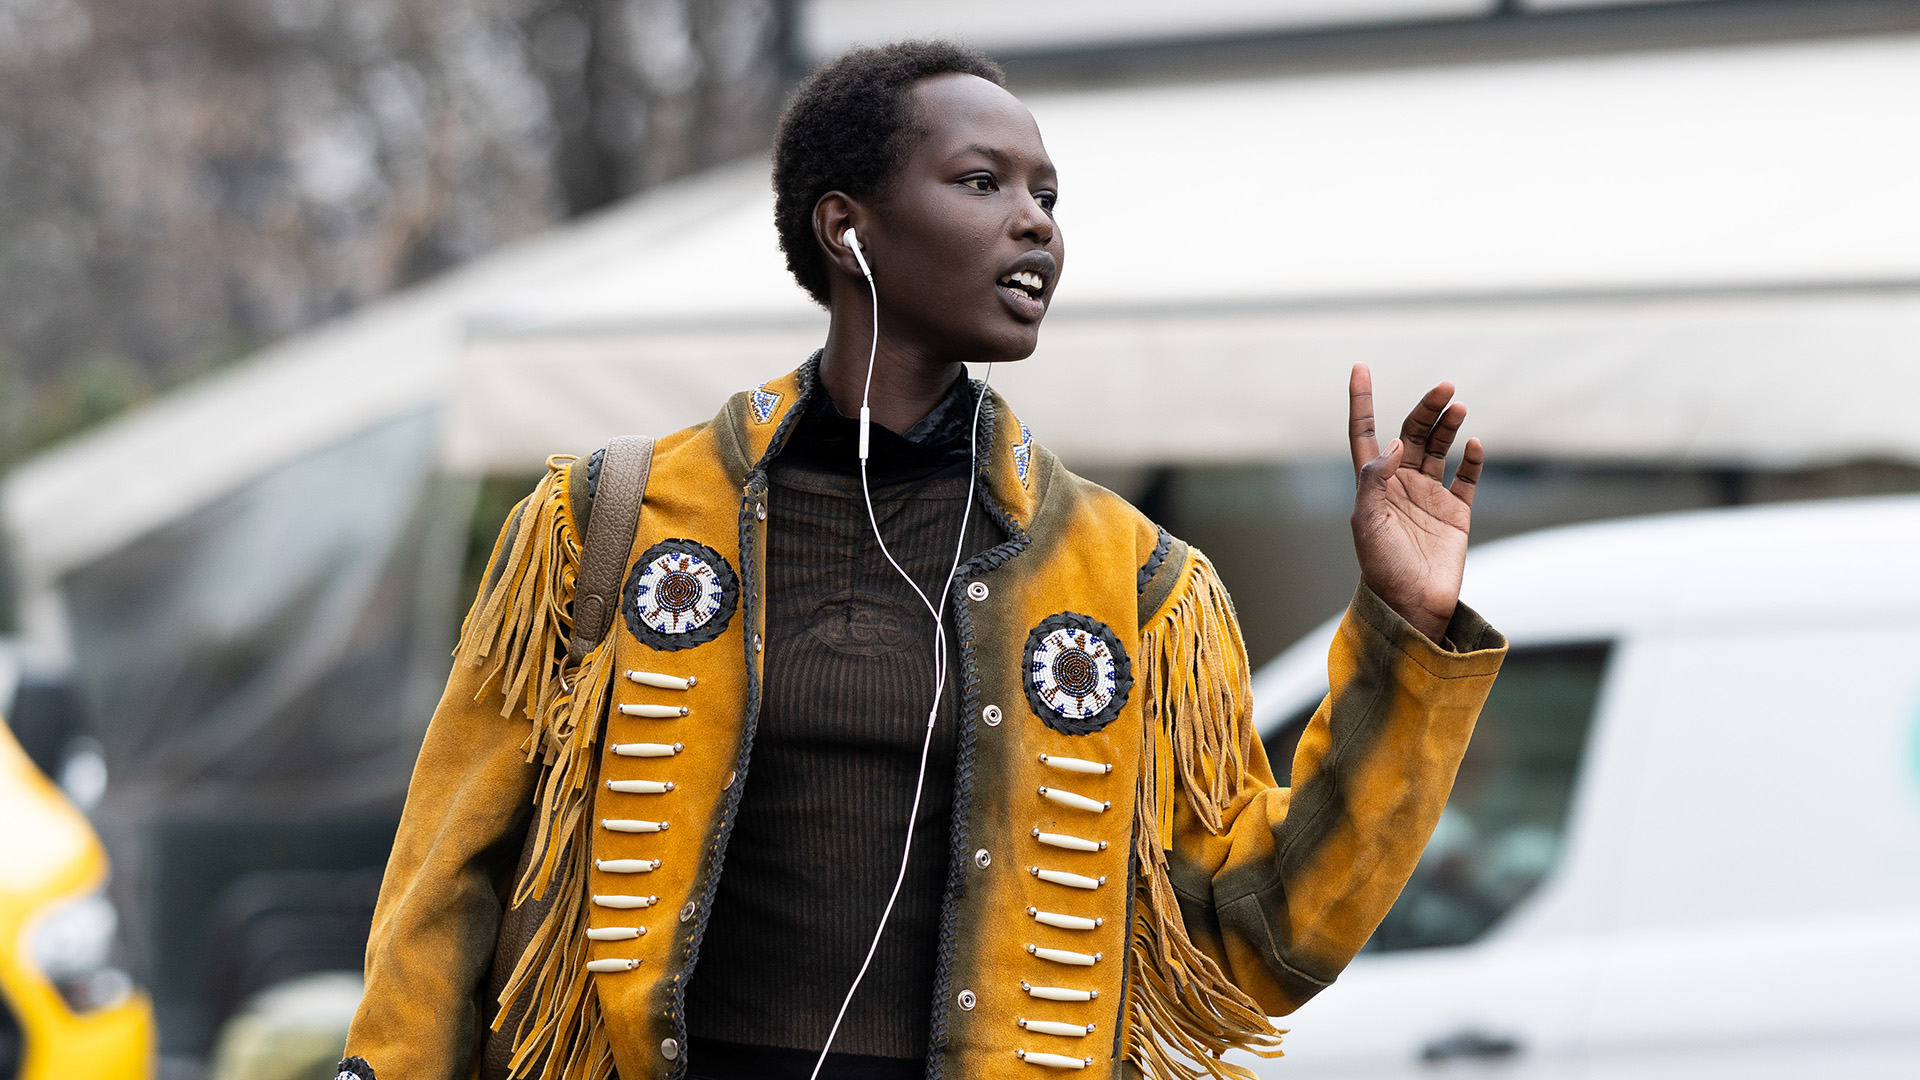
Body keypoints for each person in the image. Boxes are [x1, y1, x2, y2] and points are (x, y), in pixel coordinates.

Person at [338, 41, 1505, 1080]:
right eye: (982, 183)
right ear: (849, 227)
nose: (1037, 223)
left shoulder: (1134, 580)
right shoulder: (608, 519)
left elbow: (1262, 934)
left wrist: (1405, 632)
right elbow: (448, 875)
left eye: (1048, 195)